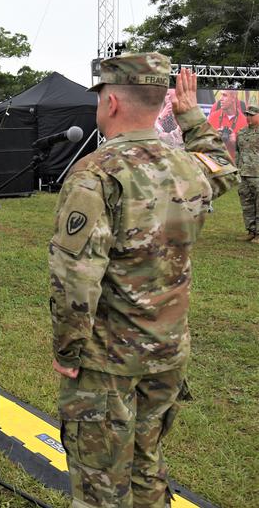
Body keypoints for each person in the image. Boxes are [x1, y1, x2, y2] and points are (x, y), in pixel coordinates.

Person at [50, 57, 237, 508]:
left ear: (110, 101)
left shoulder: (96, 173)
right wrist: (191, 115)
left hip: (108, 361)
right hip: (168, 350)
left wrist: (68, 350)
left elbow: (76, 278)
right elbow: (222, 168)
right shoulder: (187, 167)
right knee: (146, 466)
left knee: (100, 486)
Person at [235, 104, 259, 241]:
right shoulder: (241, 132)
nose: (248, 117)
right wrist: (237, 169)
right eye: (247, 115)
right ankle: (251, 231)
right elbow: (238, 152)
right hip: (244, 174)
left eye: (252, 115)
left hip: (257, 174)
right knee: (247, 203)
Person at [206, 88, 247, 157]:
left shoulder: (245, 122)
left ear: (233, 97)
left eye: (224, 95)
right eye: (221, 95)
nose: (220, 99)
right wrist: (215, 138)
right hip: (216, 163)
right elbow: (204, 143)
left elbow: (250, 152)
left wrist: (236, 142)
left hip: (234, 165)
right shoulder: (212, 117)